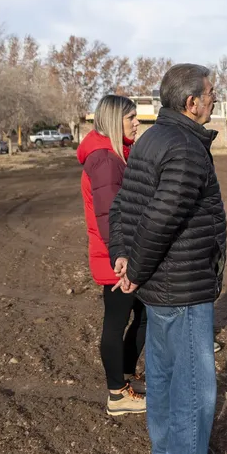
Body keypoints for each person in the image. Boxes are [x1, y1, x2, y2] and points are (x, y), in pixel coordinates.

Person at [109, 64, 227, 454]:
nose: (215, 99)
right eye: (211, 93)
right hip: (182, 283)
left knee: (164, 374)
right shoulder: (185, 148)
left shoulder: (152, 138)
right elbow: (160, 219)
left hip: (160, 284)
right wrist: (135, 267)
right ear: (191, 102)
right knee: (192, 381)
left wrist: (123, 255)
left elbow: (124, 205)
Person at [78, 94, 146, 416]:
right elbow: (110, 217)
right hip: (117, 258)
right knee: (117, 321)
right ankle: (117, 394)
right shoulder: (105, 160)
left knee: (141, 315)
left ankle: (125, 374)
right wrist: (123, 260)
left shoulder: (116, 154)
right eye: (130, 117)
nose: (137, 122)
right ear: (113, 121)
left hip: (120, 254)